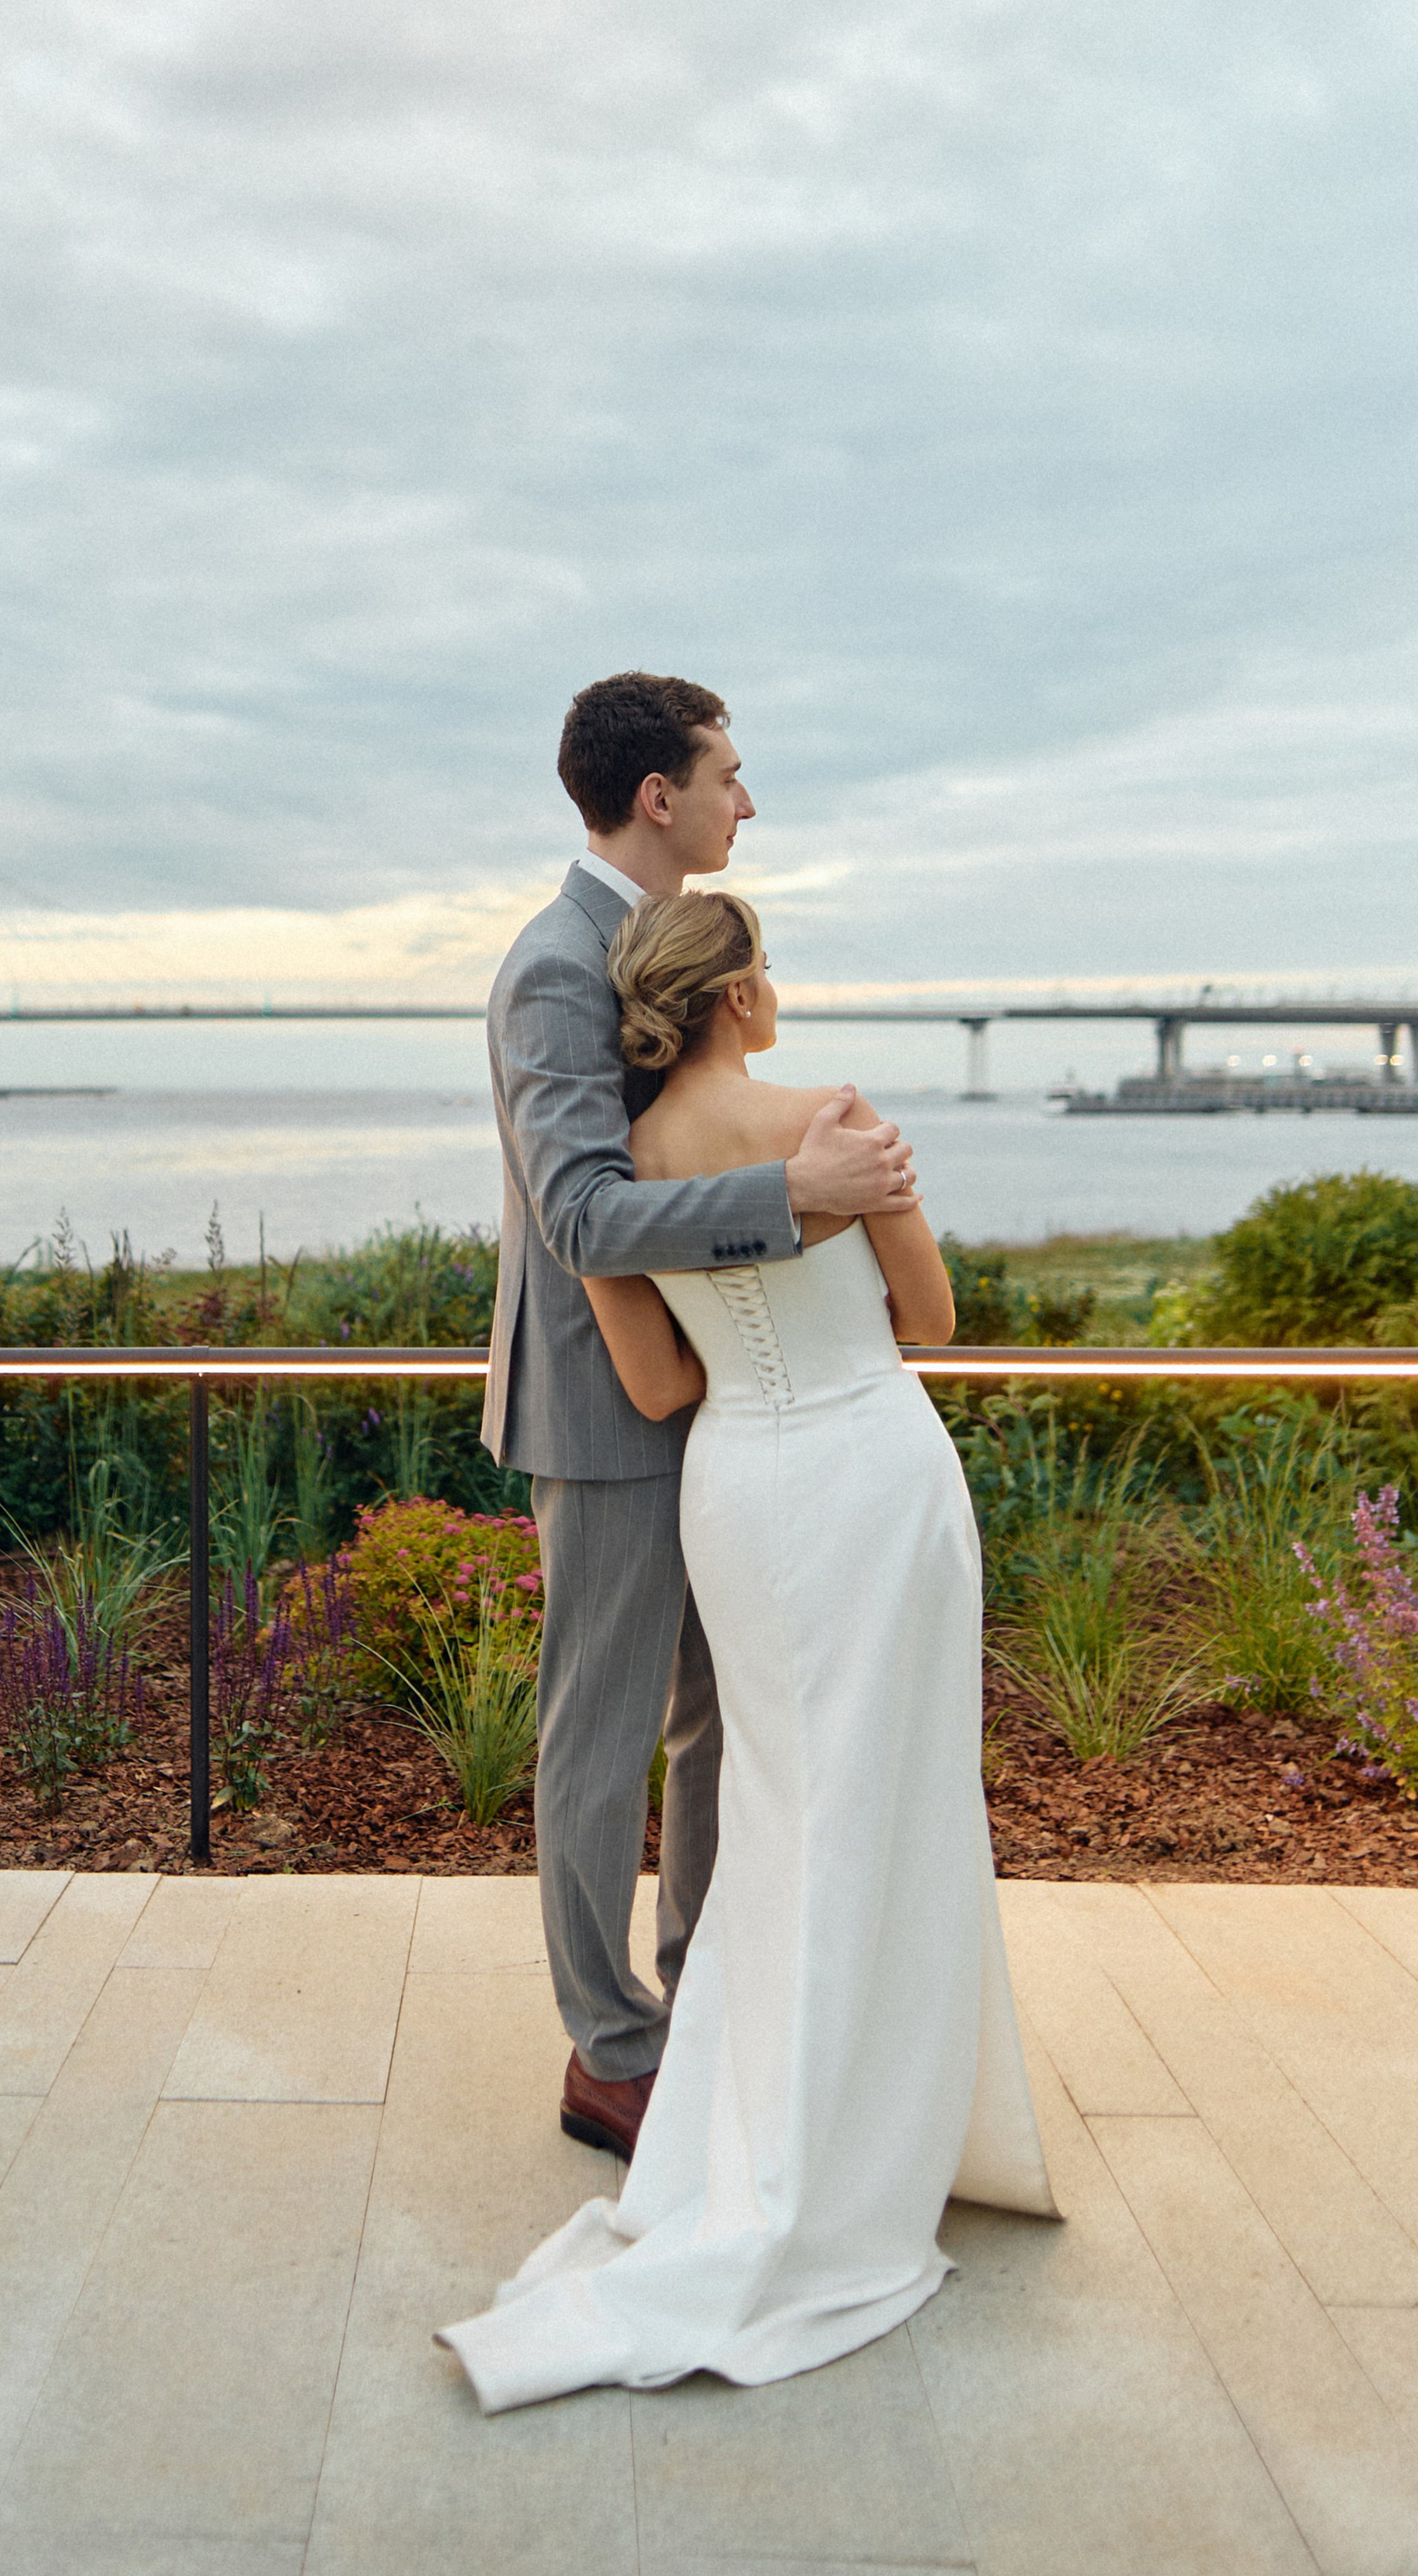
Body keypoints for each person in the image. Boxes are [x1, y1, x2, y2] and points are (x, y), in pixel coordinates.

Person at [442, 891, 1055, 2411]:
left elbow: (653, 1385)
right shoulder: (835, 1119)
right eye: (766, 965)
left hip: (737, 1488)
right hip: (874, 1479)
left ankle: (758, 2114)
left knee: (783, 1801)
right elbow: (933, 1312)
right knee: (893, 1796)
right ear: (736, 996)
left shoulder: (616, 1182)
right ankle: (872, 2128)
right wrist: (828, 1225)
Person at [483, 671, 918, 2159]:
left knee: (718, 1728)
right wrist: (796, 1198)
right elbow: (584, 1215)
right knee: (598, 1737)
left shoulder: (650, 953)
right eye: (730, 772)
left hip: (726, 1412)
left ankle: (707, 2001)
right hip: (608, 1415)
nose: (750, 798)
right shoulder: (556, 964)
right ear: (656, 795)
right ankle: (610, 2054)